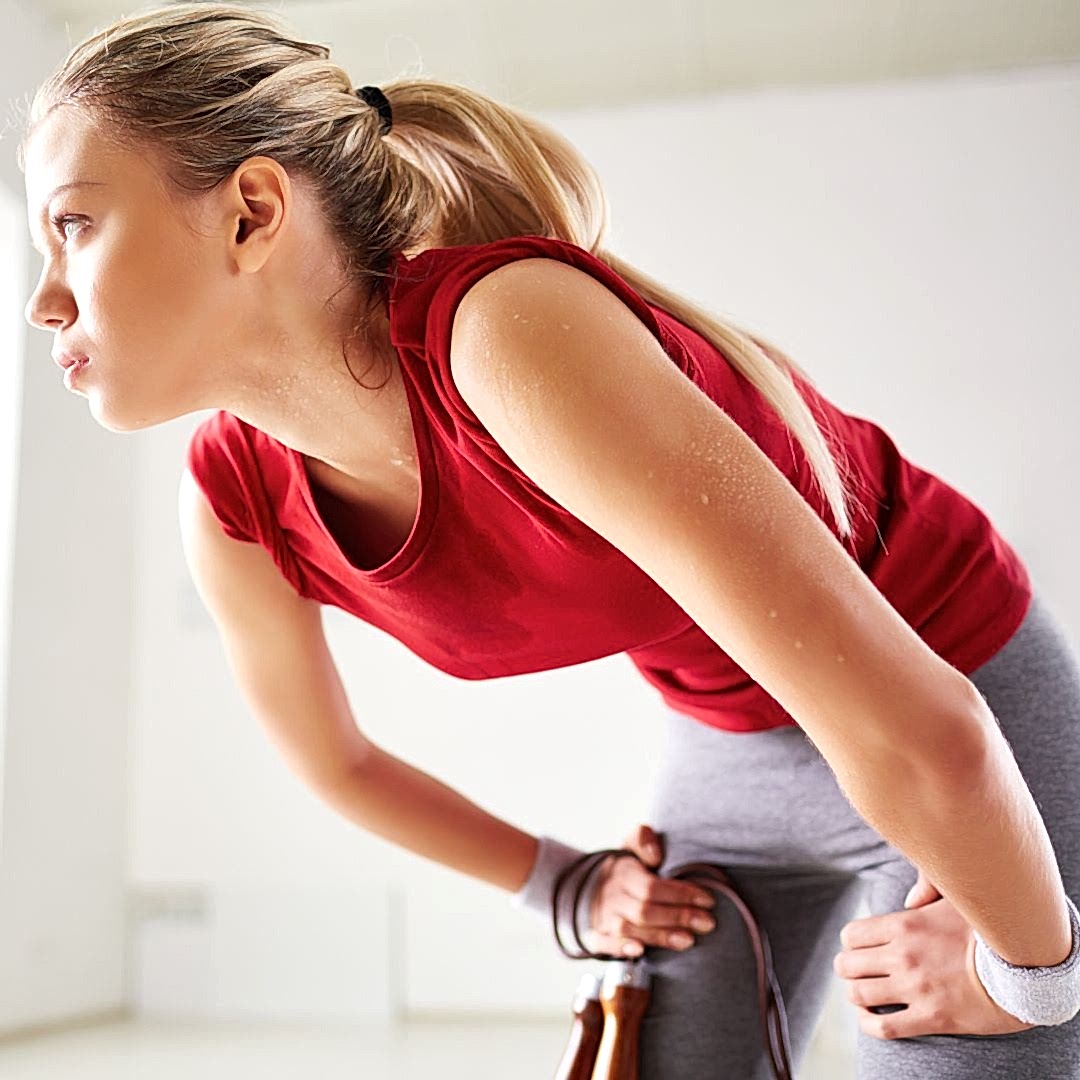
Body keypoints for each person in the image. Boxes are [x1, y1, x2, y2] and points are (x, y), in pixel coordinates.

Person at [19, 4, 1080, 1077]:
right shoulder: (233, 502)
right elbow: (335, 762)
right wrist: (564, 883)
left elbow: (928, 731)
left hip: (947, 691)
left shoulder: (504, 332)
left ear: (251, 212)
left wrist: (1031, 975)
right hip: (724, 745)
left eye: (72, 226)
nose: (40, 301)